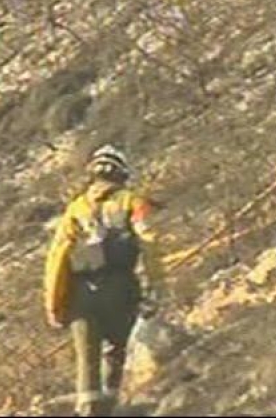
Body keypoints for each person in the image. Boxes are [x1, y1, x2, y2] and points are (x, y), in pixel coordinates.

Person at [44, 145, 165, 417]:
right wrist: (156, 286)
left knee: (87, 359)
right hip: (121, 289)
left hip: (81, 294)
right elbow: (150, 243)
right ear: (122, 173)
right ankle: (111, 408)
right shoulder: (133, 202)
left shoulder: (75, 209)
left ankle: (88, 410)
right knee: (116, 350)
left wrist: (54, 304)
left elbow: (58, 257)